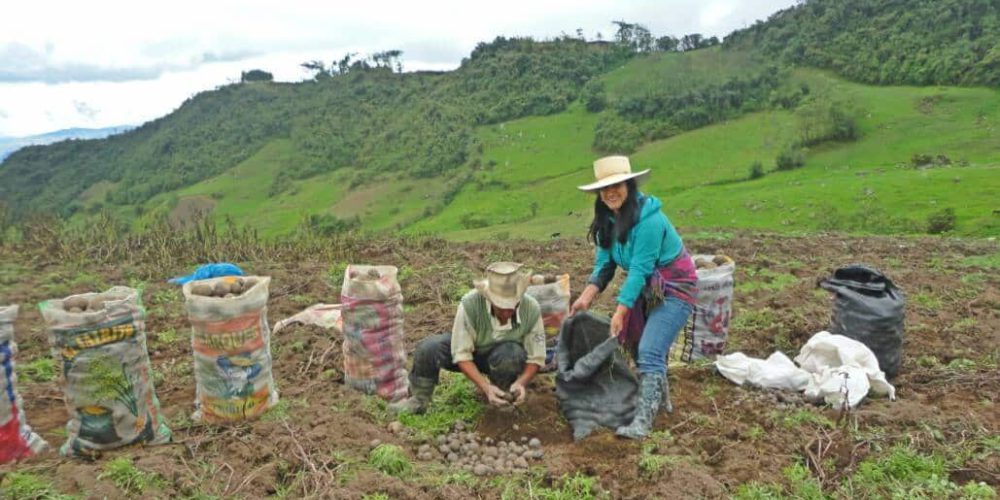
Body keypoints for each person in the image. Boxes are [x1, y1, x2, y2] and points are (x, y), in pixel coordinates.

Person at [569, 155, 698, 439]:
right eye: (605, 188)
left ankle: (642, 423)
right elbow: (605, 265)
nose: (611, 193)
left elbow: (639, 270)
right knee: (644, 348)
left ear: (629, 185)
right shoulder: (607, 221)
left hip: (675, 287)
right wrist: (586, 298)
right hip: (648, 288)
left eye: (617, 186)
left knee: (651, 349)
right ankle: (660, 403)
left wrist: (620, 312)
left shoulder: (650, 220)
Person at [389, 262, 546, 414]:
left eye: (512, 306)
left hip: (504, 357)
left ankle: (504, 396)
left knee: (511, 352)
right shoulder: (470, 303)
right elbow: (461, 353)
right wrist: (485, 387)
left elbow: (537, 357)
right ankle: (418, 400)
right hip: (473, 353)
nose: (507, 312)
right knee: (428, 348)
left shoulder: (531, 308)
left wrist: (521, 383)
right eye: (501, 307)